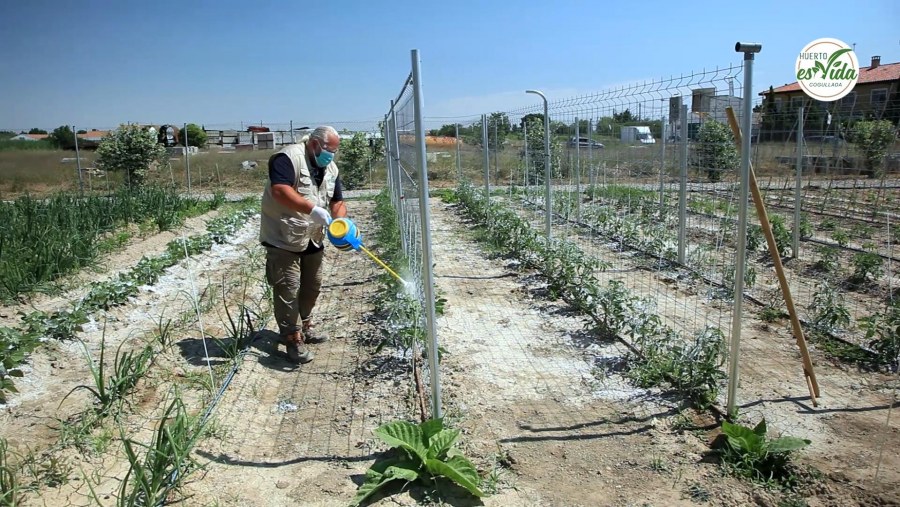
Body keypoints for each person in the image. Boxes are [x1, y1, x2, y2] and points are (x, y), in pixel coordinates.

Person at [259, 126, 348, 363]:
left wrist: (340, 223)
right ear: (315, 144)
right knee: (288, 287)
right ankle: (291, 338)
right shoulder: (287, 158)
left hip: (313, 236)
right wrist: (312, 209)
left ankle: (305, 324)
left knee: (313, 285)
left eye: (335, 151)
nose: (332, 155)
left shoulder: (330, 167)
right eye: (329, 150)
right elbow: (280, 190)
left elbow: (337, 200)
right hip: (283, 236)